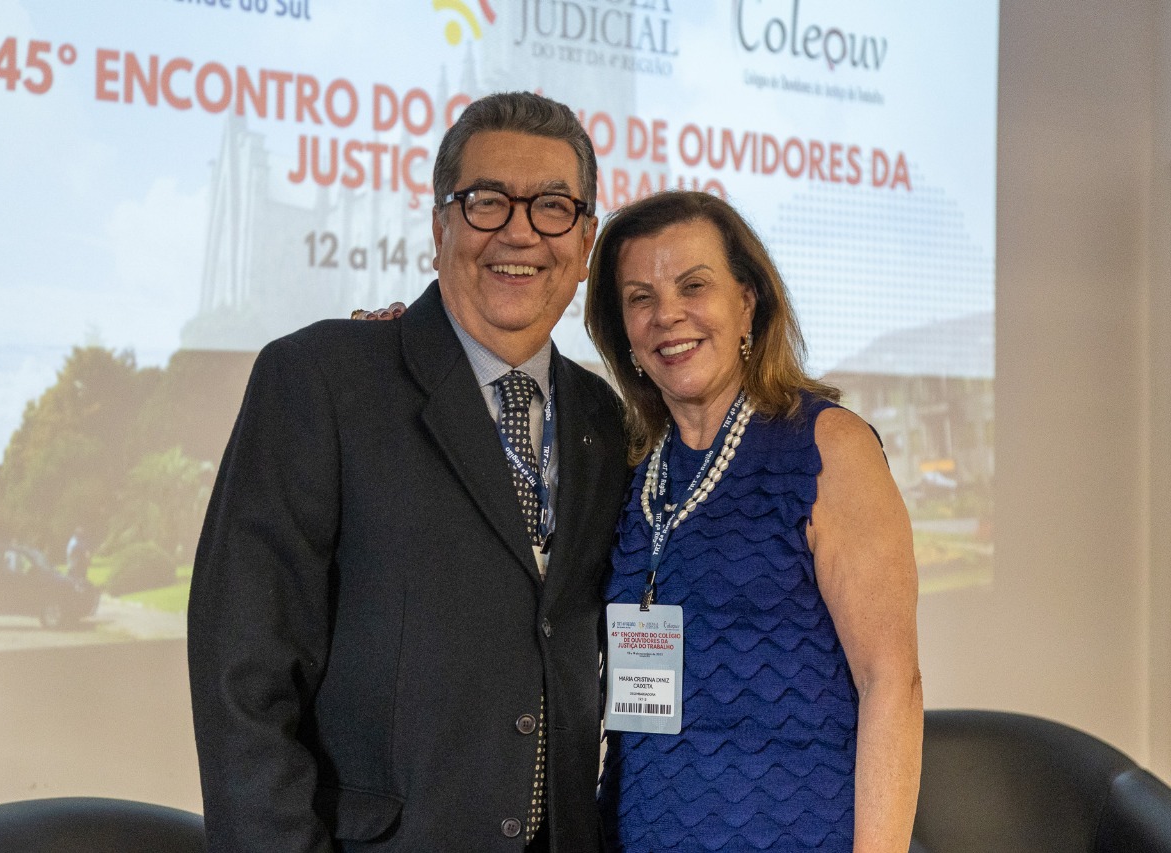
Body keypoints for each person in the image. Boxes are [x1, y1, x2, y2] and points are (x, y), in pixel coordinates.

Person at [187, 91, 630, 852]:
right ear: (439, 227)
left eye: (553, 207)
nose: (520, 231)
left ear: (585, 242)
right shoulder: (322, 378)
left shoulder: (604, 421)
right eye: (487, 201)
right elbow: (243, 678)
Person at [584, 191, 923, 852]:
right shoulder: (635, 467)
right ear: (622, 330)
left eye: (693, 286)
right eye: (640, 298)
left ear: (748, 302)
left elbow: (892, 683)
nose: (667, 315)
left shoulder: (829, 447)